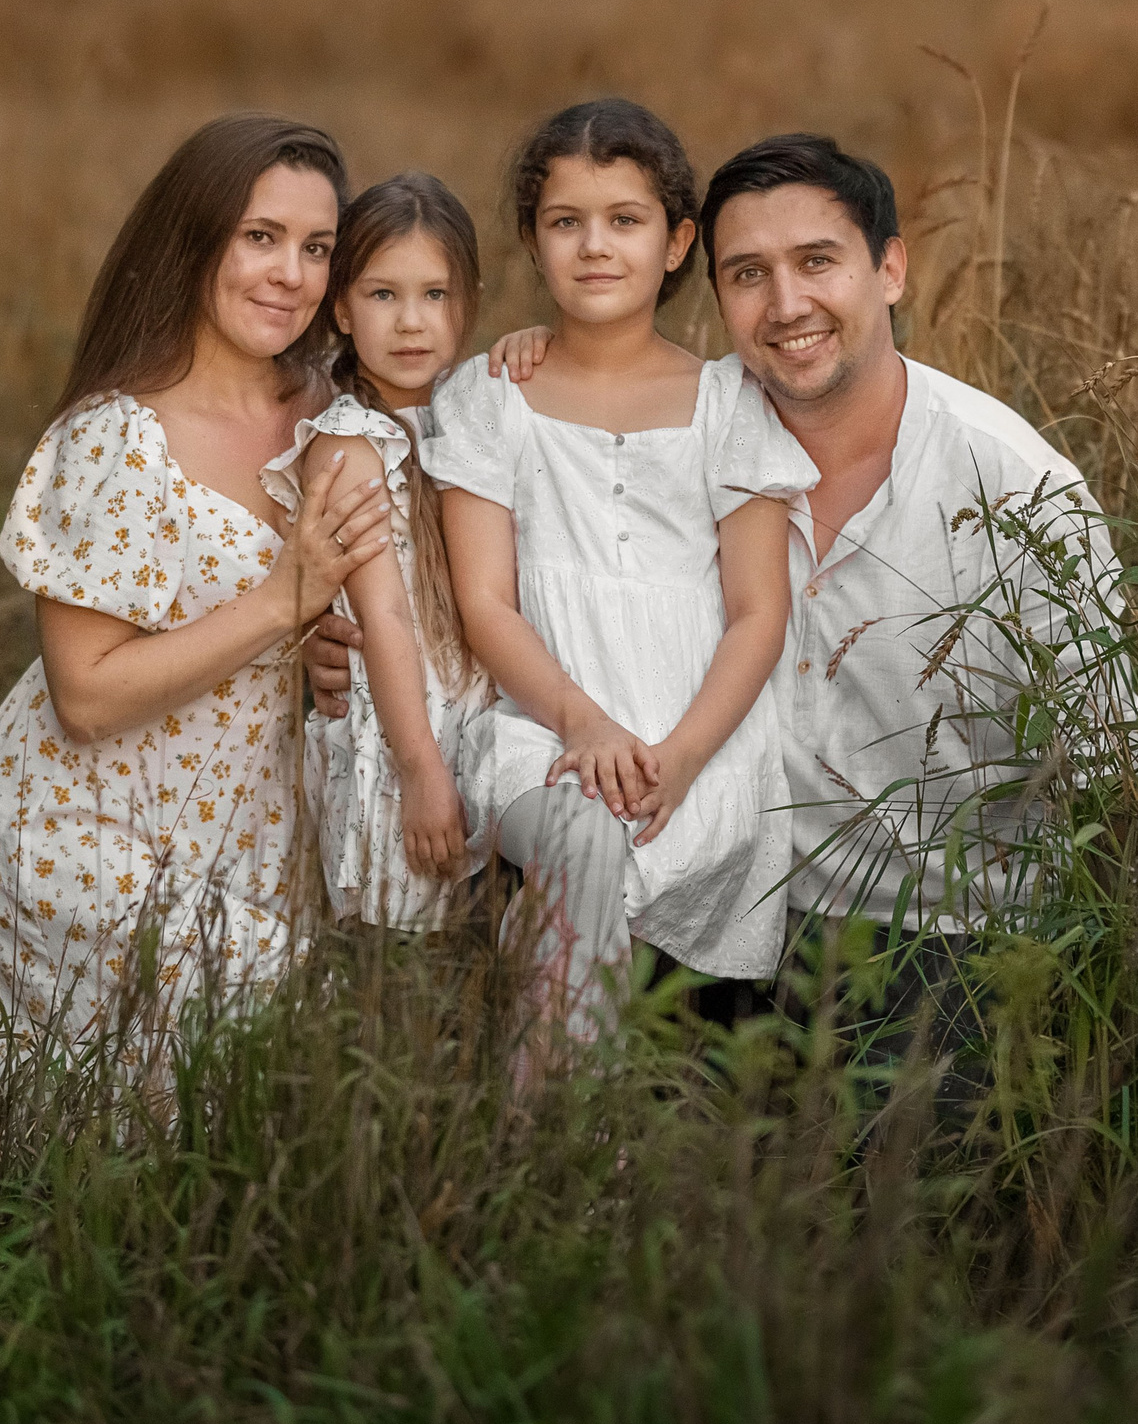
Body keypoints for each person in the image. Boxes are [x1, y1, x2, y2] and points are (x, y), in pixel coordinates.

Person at [480, 133, 1115, 957]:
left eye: (818, 262)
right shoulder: (679, 438)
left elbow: (1110, 762)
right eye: (748, 273)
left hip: (952, 935)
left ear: (890, 269)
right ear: (713, 294)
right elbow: (525, 581)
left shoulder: (1015, 486)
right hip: (723, 907)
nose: (785, 305)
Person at [415, 99, 816, 1069]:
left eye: (625, 221)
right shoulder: (491, 395)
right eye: (567, 223)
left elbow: (759, 614)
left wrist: (679, 754)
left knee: (711, 850)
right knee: (584, 836)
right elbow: (485, 604)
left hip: (701, 733)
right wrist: (583, 723)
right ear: (533, 239)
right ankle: (553, 1132)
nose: (596, 247)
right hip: (541, 724)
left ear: (678, 242)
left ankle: (626, 1093)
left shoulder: (730, 403)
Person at [0, 115, 390, 1047]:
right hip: (87, 829)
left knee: (239, 1128)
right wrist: (281, 603)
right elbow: (85, 696)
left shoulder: (332, 409)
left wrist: (320, 651)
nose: (289, 274)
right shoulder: (119, 436)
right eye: (259, 237)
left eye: (316, 248)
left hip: (252, 830)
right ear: (195, 238)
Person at [261, 174, 492, 932]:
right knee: (399, 942)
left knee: (479, 933)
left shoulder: (470, 408)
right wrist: (422, 769)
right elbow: (385, 611)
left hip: (474, 707)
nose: (411, 322)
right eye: (383, 295)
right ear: (341, 307)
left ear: (468, 301)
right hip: (401, 728)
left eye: (435, 294)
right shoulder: (348, 444)